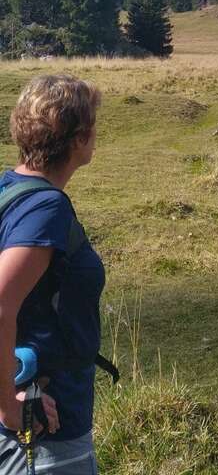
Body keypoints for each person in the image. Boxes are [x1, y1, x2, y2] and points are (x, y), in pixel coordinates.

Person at [0, 74, 106, 474]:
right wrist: (8, 405)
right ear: (78, 137)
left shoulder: (9, 190)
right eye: (93, 123)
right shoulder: (45, 210)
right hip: (44, 431)